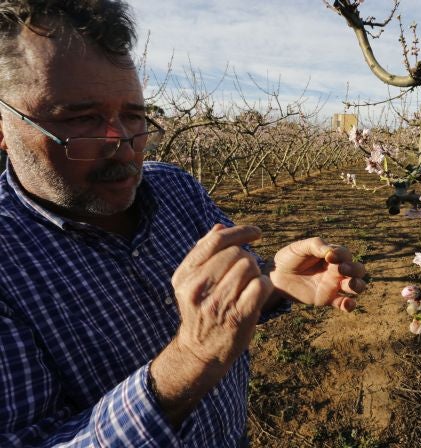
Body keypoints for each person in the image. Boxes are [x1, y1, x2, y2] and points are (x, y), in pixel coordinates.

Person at [0, 1, 366, 446]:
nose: (123, 145)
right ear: (4, 125)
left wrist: (273, 282)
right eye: (80, 119)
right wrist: (190, 359)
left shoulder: (175, 189)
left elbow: (224, 302)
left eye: (134, 116)